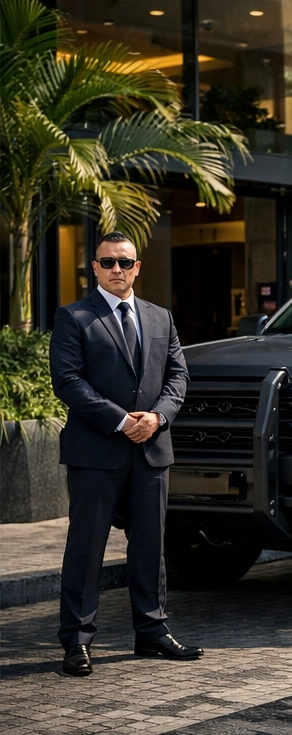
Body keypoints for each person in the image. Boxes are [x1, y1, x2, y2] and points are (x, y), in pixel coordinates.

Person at [49, 232, 202, 676]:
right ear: (93, 268)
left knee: (151, 548)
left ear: (138, 267)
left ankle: (152, 632)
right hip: (96, 451)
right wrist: (122, 420)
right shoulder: (73, 317)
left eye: (126, 262)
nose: (117, 269)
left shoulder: (160, 317)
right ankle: (76, 641)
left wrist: (156, 419)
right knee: (86, 547)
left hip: (152, 450)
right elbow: (69, 382)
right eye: (108, 262)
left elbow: (178, 377)